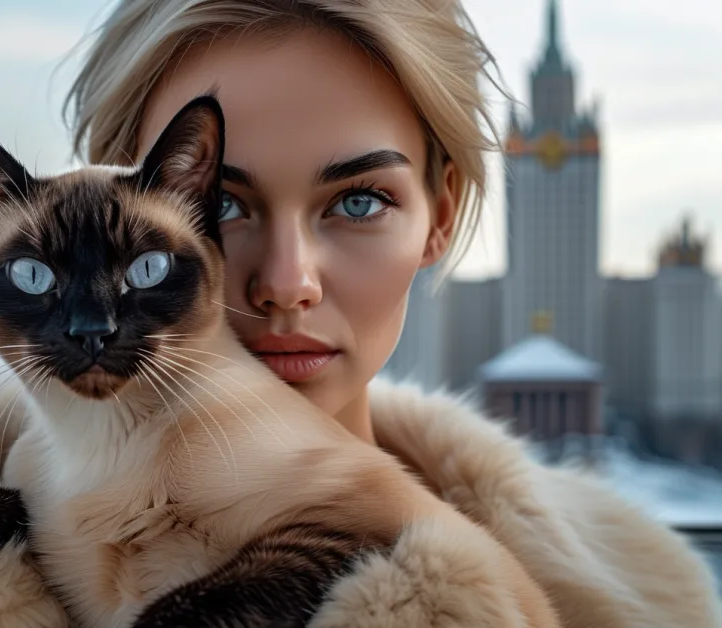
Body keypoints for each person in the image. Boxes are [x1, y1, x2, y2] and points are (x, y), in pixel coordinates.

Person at [62, 0, 722, 626]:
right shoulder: (5, 568)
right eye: (218, 206)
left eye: (358, 202)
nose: (287, 284)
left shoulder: (651, 599)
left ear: (440, 217)